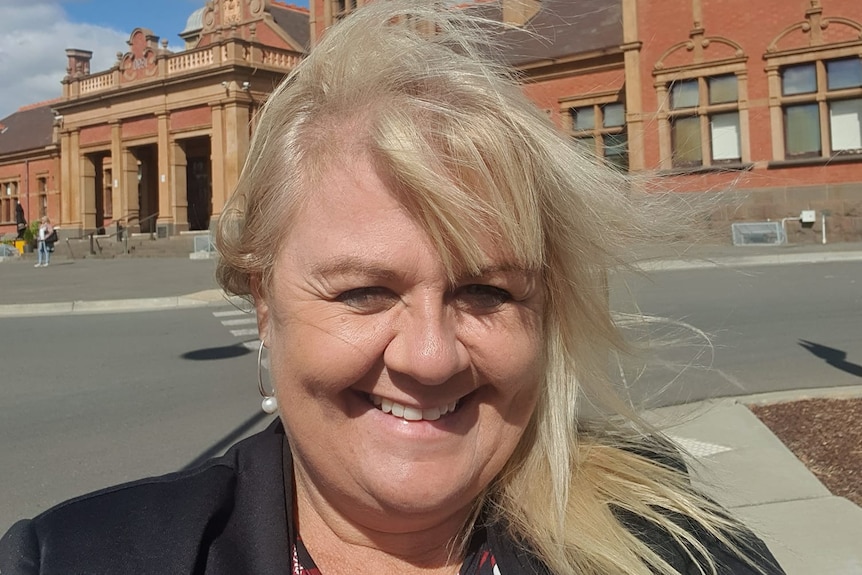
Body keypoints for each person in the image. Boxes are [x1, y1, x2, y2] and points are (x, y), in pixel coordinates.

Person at [0, 2, 785, 574]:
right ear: (263, 299)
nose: (431, 357)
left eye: (486, 291)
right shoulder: (74, 557)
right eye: (364, 292)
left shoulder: (679, 549)